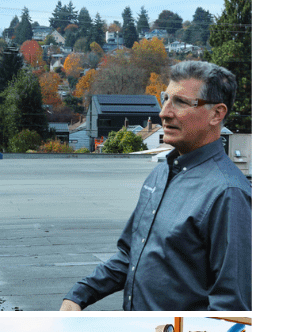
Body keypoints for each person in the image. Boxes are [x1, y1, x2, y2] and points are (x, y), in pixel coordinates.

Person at [60, 60, 251, 311]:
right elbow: (131, 255)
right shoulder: (161, 173)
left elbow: (231, 307)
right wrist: (80, 294)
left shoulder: (228, 194)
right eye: (165, 99)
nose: (164, 112)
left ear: (217, 114)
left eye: (181, 102)